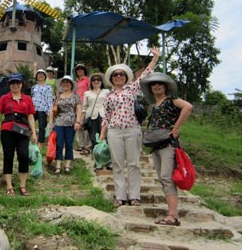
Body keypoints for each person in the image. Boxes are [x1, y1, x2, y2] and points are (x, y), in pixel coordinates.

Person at [99, 47, 160, 207]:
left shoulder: (132, 89)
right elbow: (106, 116)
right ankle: (120, 196)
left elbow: (145, 75)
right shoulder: (108, 96)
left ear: (126, 77)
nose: (119, 76)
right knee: (117, 164)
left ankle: (134, 196)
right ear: (111, 79)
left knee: (133, 163)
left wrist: (154, 59)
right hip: (114, 131)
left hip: (132, 129)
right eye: (115, 75)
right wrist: (102, 135)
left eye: (121, 74)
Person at [140, 72, 193, 226]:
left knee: (166, 178)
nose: (156, 86)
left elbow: (188, 107)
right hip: (157, 145)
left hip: (168, 144)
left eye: (159, 84)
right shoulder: (153, 105)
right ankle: (171, 213)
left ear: (165, 87)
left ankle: (173, 215)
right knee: (164, 179)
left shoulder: (171, 100)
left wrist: (175, 128)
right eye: (153, 84)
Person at [0, 73, 37, 197]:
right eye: (12, 83)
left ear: (21, 84)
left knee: (23, 155)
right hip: (7, 130)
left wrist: (34, 132)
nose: (15, 85)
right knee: (8, 156)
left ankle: (23, 185)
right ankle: (9, 186)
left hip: (23, 130)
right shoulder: (4, 98)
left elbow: (31, 116)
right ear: (9, 85)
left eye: (17, 83)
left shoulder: (27, 99)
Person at [49, 75, 82, 175]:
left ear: (71, 85)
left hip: (71, 122)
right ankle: (58, 165)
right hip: (59, 122)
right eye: (63, 82)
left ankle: (68, 165)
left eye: (68, 82)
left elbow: (79, 109)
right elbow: (53, 109)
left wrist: (78, 121)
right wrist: (51, 122)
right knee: (59, 143)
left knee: (69, 143)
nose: (65, 84)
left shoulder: (75, 96)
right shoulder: (58, 96)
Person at [80, 73, 108, 161]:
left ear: (101, 82)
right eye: (94, 80)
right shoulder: (87, 93)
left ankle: (106, 158)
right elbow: (84, 107)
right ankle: (97, 158)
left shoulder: (106, 91)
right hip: (91, 116)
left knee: (104, 137)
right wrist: (81, 120)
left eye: (98, 80)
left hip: (104, 116)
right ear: (91, 82)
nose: (96, 81)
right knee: (93, 137)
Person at [31, 69, 53, 146]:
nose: (40, 75)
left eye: (42, 74)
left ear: (45, 76)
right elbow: (32, 97)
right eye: (38, 74)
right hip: (33, 109)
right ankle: (30, 139)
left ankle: (40, 143)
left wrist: (50, 113)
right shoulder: (34, 87)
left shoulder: (48, 87)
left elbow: (50, 100)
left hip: (43, 109)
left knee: (41, 126)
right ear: (36, 76)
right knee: (30, 124)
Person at [74, 64, 92, 154]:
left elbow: (90, 91)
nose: (80, 70)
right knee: (79, 125)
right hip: (77, 105)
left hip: (85, 105)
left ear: (84, 70)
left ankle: (87, 146)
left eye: (81, 69)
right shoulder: (75, 82)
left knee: (85, 125)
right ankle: (81, 145)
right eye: (78, 69)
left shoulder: (87, 80)